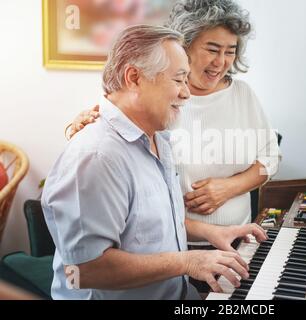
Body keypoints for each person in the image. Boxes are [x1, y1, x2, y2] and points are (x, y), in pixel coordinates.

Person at [42, 25, 267, 300]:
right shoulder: (95, 156)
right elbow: (85, 271)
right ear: (134, 78)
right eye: (179, 80)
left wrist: (212, 232)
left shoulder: (158, 137)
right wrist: (188, 262)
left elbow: (151, 225)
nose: (187, 93)